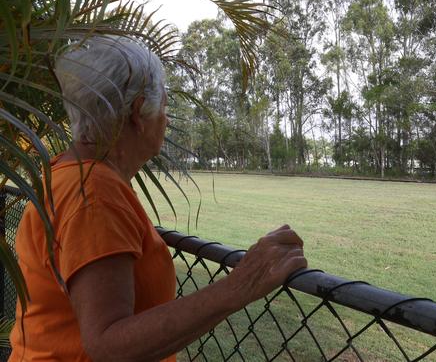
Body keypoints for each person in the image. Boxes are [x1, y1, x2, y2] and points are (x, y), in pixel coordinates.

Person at [9, 36, 307, 362]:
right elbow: (108, 344)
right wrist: (240, 285)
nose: (165, 119)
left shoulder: (66, 174)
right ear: (139, 111)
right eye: (164, 106)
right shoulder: (94, 194)